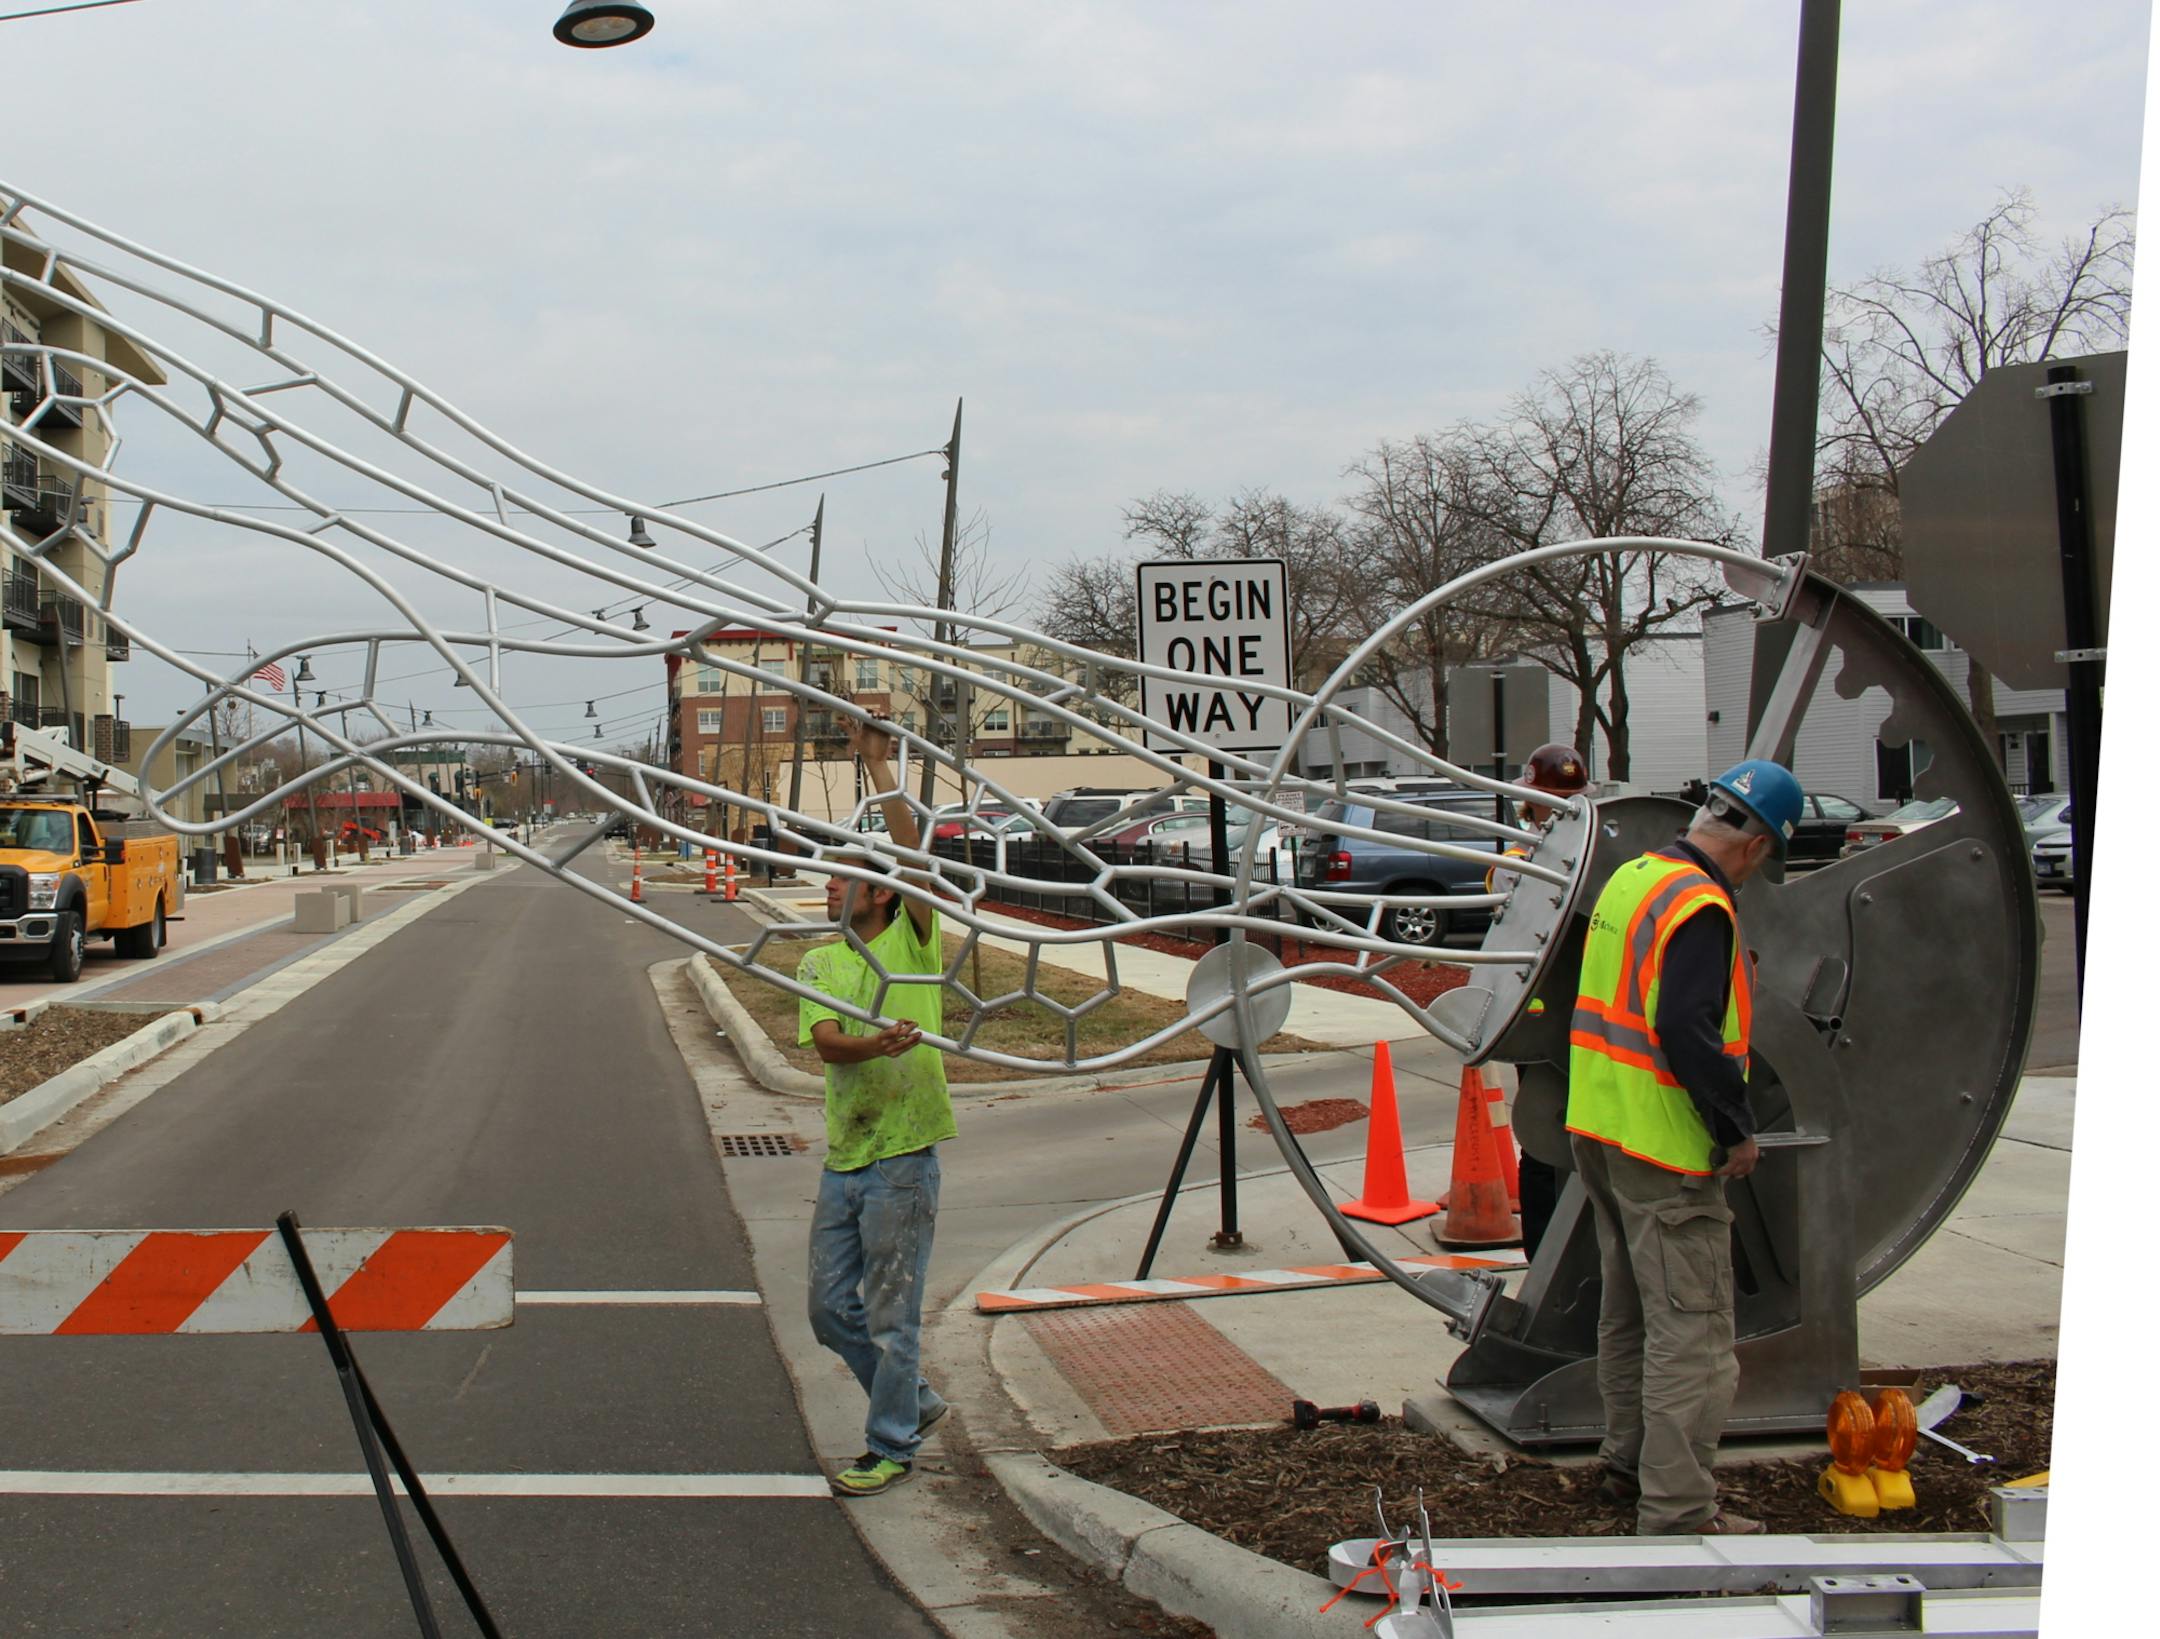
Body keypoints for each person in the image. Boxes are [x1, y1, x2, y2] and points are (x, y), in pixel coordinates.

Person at [1566, 757, 1803, 1537]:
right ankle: (1677, 1513)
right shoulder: (1700, 904)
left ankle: (1626, 1465)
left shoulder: (1636, 875)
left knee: (1631, 1312)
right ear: (1759, 844)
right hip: (1665, 1147)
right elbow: (1686, 1030)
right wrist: (1735, 1128)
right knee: (1694, 1337)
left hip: (1603, 1129)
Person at [798, 718, 956, 1498]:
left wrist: (876, 760)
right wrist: (877, 1047)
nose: (828, 886)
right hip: (845, 1158)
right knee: (830, 1310)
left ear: (880, 891)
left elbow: (921, 862)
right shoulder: (820, 958)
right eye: (826, 878)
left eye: (842, 877)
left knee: (894, 1315)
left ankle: (890, 1442)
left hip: (903, 1156)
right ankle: (916, 1402)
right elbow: (827, 1042)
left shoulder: (912, 944)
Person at [1483, 743, 1591, 1259]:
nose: (1563, 808)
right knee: (1544, 1134)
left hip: (1586, 1014)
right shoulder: (1517, 860)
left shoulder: (1592, 852)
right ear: (1531, 801)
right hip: (1538, 1014)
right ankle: (1544, 1252)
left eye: (1570, 798)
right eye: (1553, 799)